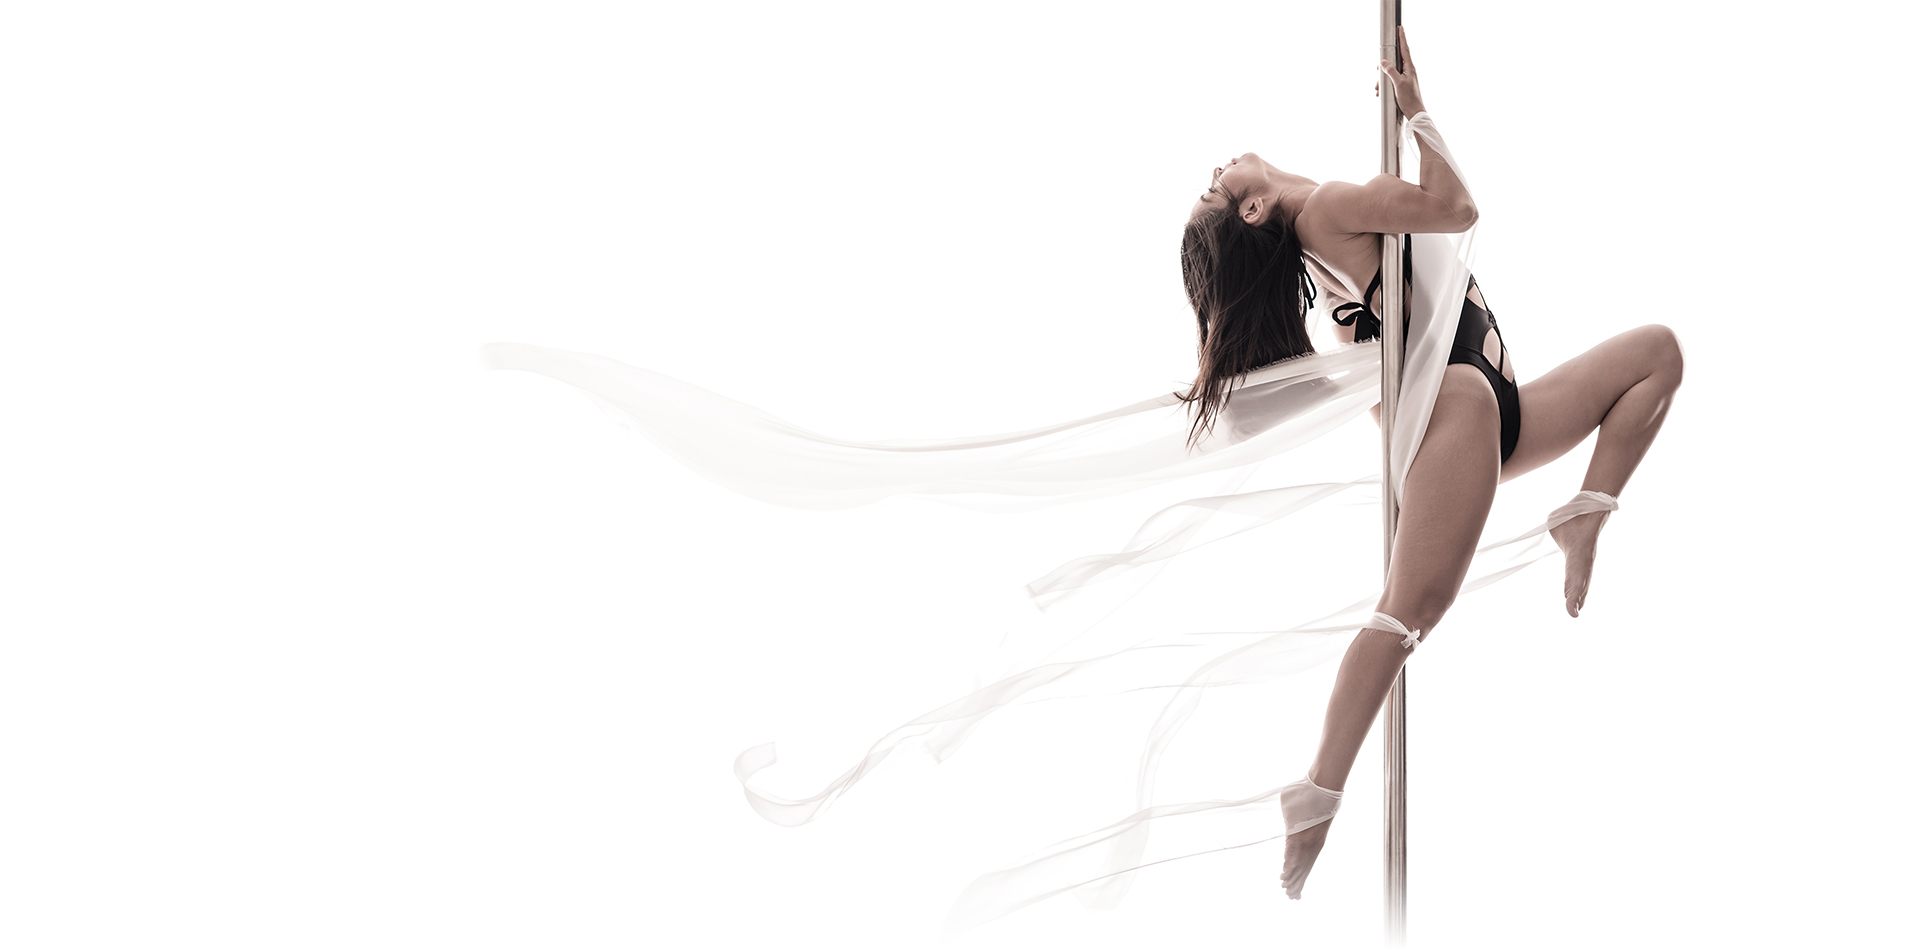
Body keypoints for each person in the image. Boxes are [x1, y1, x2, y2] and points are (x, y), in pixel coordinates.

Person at [1178, 26, 1683, 899]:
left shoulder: (1321, 252)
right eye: (1214, 188)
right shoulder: (1328, 209)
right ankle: (1318, 793)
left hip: (1493, 403)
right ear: (1252, 210)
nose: (1217, 169)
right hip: (1462, 404)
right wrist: (1419, 113)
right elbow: (1456, 209)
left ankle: (1587, 509)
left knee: (1655, 356)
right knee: (1408, 612)